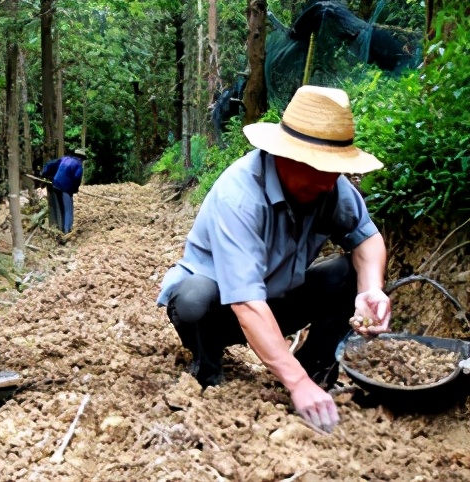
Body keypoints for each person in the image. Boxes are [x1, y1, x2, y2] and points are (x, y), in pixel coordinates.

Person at [156, 85, 391, 434]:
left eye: (335, 170)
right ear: (285, 157)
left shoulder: (328, 187)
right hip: (221, 310)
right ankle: (208, 370)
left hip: (276, 302)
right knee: (194, 297)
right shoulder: (240, 196)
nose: (329, 182)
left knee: (346, 274)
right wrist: (294, 384)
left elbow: (367, 240)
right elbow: (246, 304)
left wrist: (370, 290)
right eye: (320, 168)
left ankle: (316, 373)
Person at [41, 148, 85, 234]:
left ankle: (57, 227)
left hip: (55, 184)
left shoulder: (64, 159)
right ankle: (67, 230)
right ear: (81, 158)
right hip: (66, 188)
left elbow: (50, 164)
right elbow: (77, 178)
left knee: (58, 207)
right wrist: (75, 189)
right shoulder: (78, 165)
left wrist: (44, 174)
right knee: (68, 209)